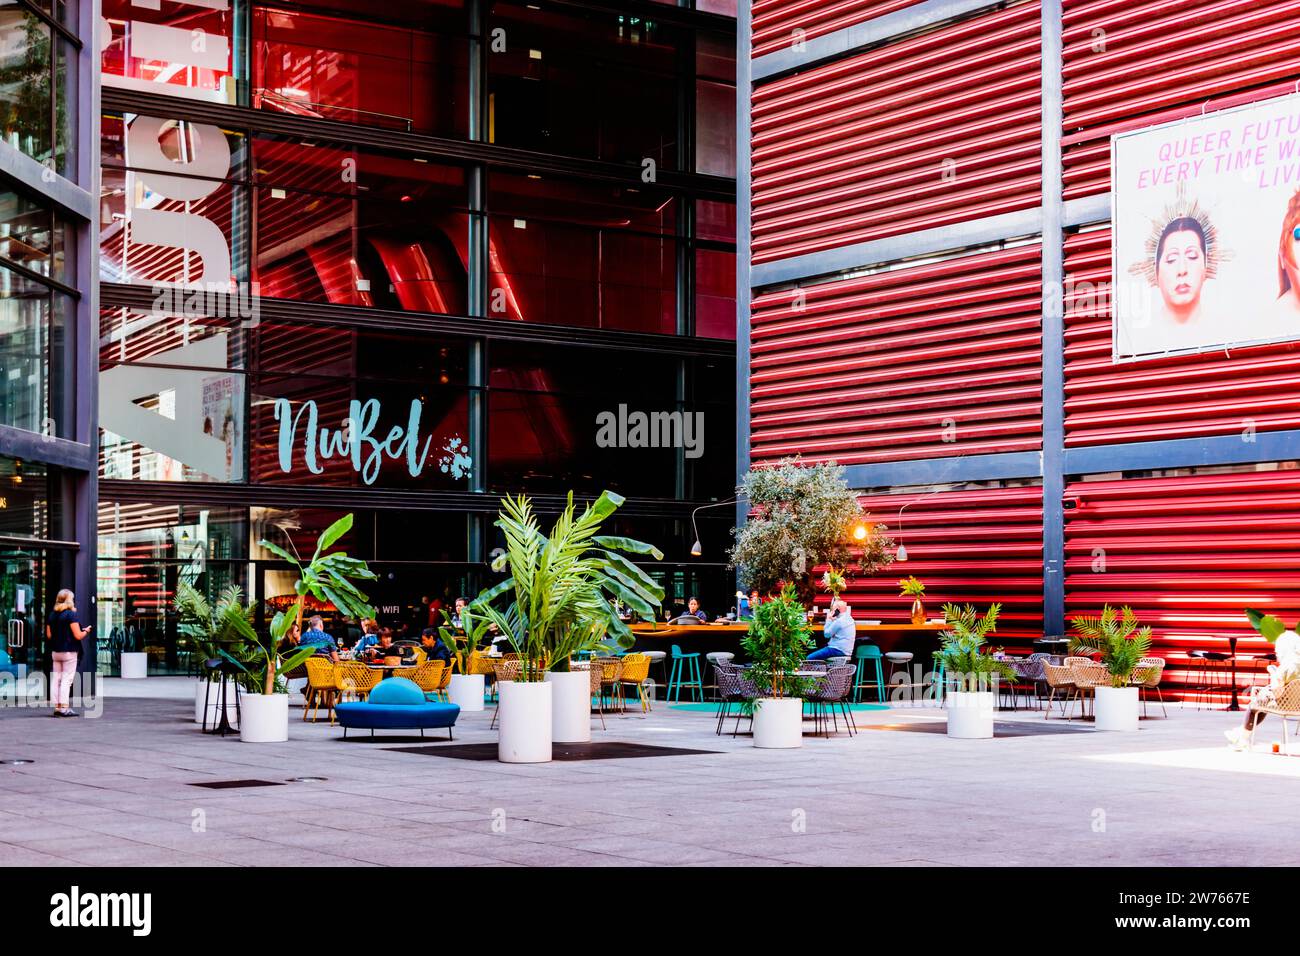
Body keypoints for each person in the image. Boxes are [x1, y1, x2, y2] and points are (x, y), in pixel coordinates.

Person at [1225, 629, 1300, 751]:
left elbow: (1277, 691)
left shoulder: (1286, 666)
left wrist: (1273, 673)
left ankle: (1242, 738)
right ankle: (1239, 733)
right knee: (1262, 699)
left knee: (1255, 705)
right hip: (1298, 705)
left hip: (1284, 705)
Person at [46, 589, 90, 717]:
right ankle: (64, 708)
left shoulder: (52, 615)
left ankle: (57, 707)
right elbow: (78, 635)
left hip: (55, 651)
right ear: (69, 600)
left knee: (57, 679)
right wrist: (86, 631)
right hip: (69, 652)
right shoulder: (71, 615)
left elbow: (49, 635)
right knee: (67, 679)